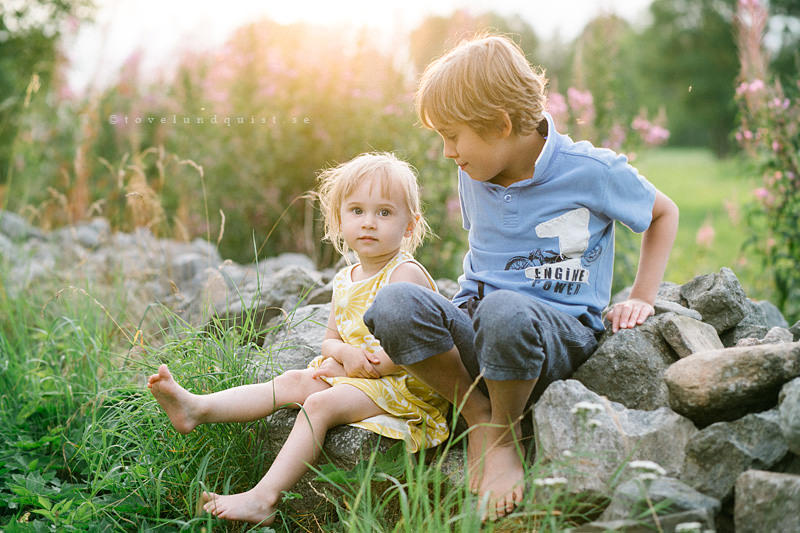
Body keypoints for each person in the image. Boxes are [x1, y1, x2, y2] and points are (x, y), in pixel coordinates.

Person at [363, 34, 680, 521]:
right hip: (483, 320)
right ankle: (479, 418)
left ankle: (507, 437)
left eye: (453, 135)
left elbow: (663, 213)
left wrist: (642, 295)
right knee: (394, 305)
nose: (448, 152)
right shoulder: (475, 168)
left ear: (501, 125)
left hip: (554, 330)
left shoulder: (590, 170)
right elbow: (484, 264)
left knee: (505, 310)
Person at [147, 152, 450, 525]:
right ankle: (197, 409)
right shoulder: (346, 278)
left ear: (409, 225)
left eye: (384, 213)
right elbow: (329, 340)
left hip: (403, 384)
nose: (369, 223)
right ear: (339, 219)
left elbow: (409, 350)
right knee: (292, 380)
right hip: (358, 375)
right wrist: (341, 355)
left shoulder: (405, 274)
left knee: (320, 404)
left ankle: (263, 498)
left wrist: (353, 363)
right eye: (357, 210)